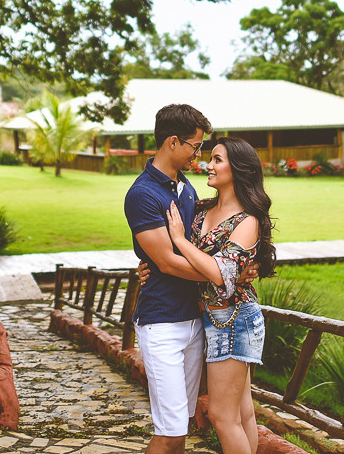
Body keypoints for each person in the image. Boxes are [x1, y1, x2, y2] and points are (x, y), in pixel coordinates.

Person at [163, 137, 277, 454]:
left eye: (217, 160)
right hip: (217, 318)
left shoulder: (247, 221)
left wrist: (181, 241)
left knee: (221, 416)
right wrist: (147, 266)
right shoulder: (202, 210)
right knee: (241, 413)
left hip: (235, 320)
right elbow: (170, 256)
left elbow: (219, 273)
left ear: (237, 169)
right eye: (209, 159)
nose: (208, 165)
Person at [124, 104, 214, 454]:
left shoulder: (185, 187)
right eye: (195, 146)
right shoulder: (143, 193)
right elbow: (168, 262)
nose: (198, 154)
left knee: (181, 428)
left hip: (193, 320)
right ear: (173, 142)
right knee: (170, 432)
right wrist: (222, 277)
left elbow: (195, 245)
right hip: (162, 322)